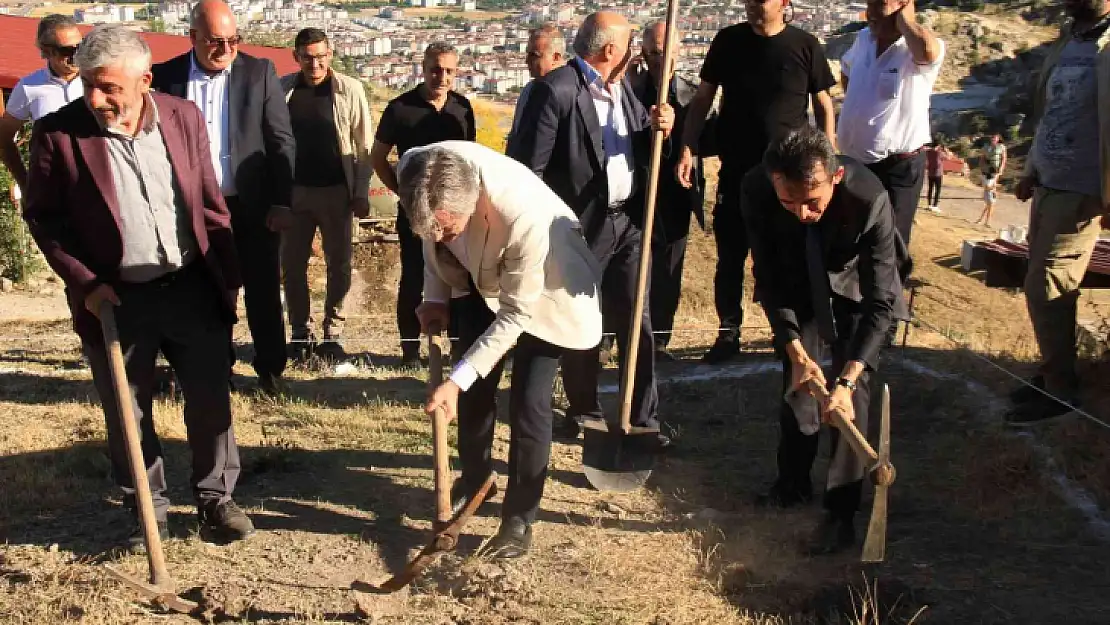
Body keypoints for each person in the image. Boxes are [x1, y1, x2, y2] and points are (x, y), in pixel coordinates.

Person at [23, 25, 255, 550]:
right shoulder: (59, 134)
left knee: (210, 399)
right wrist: (86, 283)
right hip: (115, 296)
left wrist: (227, 277)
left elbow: (209, 202)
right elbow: (44, 219)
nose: (96, 99)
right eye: (88, 86)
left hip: (191, 283)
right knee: (127, 409)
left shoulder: (182, 117)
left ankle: (216, 500)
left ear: (145, 80)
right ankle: (146, 510)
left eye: (109, 88)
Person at [400, 141, 603, 559]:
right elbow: (432, 239)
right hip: (481, 273)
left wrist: (453, 382)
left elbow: (515, 315)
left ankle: (519, 518)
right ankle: (475, 480)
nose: (442, 236)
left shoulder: (523, 216)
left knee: (529, 402)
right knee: (474, 387)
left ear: (473, 205)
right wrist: (435, 295)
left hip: (547, 283)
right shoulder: (417, 171)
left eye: (451, 229)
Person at [507, 11, 675, 446]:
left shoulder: (626, 91)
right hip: (579, 228)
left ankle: (643, 419)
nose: (635, 53)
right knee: (582, 324)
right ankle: (585, 411)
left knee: (637, 320)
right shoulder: (556, 91)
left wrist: (663, 130)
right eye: (630, 45)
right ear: (610, 51)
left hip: (628, 224)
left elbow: (640, 146)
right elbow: (529, 170)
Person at [742, 127, 908, 554]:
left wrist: (849, 379)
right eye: (789, 202)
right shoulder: (757, 189)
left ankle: (841, 510)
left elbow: (880, 302)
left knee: (850, 398)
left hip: (852, 285)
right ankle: (792, 484)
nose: (802, 213)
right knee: (798, 386)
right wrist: (796, 350)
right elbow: (769, 279)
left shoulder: (870, 199)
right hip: (795, 281)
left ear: (834, 177)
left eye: (812, 202)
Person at [675, 0, 838, 364]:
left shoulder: (805, 45)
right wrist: (688, 147)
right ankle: (727, 334)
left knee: (787, 259)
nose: (752, 4)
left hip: (789, 177)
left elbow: (824, 105)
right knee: (729, 258)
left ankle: (789, 337)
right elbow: (703, 99)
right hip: (736, 170)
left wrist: (829, 160)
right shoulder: (727, 41)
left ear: (783, 3)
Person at [151, 0, 296, 396]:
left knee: (263, 290)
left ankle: (270, 371)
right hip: (192, 209)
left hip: (251, 205)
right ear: (193, 37)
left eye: (234, 40)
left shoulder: (259, 72)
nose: (227, 49)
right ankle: (216, 368)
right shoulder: (166, 78)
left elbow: (281, 141)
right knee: (204, 290)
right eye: (216, 41)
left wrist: (282, 202)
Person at [1009, 0, 1110, 427]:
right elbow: (1050, 112)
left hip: (1084, 190)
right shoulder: (1068, 42)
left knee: (1046, 285)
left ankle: (1061, 392)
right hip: (1049, 182)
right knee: (1044, 283)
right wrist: (1031, 167)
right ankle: (1053, 372)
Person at [371, 42, 475, 367]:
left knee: (459, 277)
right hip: (414, 213)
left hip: (454, 214)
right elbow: (377, 157)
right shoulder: (400, 108)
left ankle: (458, 347)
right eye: (435, 69)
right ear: (423, 68)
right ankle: (410, 350)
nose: (441, 77)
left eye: (448, 71)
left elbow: (469, 158)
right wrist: (403, 194)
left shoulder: (463, 108)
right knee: (414, 276)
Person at [279, 28, 374, 363]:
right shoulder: (283, 90)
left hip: (337, 191)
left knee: (340, 265)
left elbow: (364, 145)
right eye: (307, 57)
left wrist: (361, 192)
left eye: (320, 56)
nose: (314, 63)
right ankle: (300, 333)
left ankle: (333, 333)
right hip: (295, 192)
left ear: (330, 54)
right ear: (297, 57)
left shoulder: (350, 89)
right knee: (291, 265)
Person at [629, 20, 716, 360]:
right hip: (635, 195)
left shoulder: (693, 96)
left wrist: (678, 127)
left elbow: (709, 140)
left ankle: (659, 340)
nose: (660, 60)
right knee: (631, 269)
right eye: (653, 53)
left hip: (675, 195)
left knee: (668, 272)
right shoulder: (629, 93)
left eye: (667, 53)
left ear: (679, 54)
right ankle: (621, 337)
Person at [838, 0, 944, 248]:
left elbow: (928, 51)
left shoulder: (916, 48)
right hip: (857, 163)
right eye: (870, 3)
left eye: (880, 4)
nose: (872, 13)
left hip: (896, 169)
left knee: (888, 248)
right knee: (851, 240)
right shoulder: (864, 38)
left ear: (903, 6)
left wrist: (906, 21)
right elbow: (846, 69)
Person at [0, 14, 83, 193]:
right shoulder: (29, 87)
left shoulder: (97, 80)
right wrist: (25, 183)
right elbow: (4, 137)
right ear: (47, 51)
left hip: (96, 187)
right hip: (53, 191)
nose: (76, 56)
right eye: (67, 51)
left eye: (81, 48)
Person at [507, 24, 566, 145]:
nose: (527, 60)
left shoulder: (571, 92)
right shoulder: (529, 89)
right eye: (527, 54)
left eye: (534, 55)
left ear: (555, 57)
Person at [974, 134, 1007, 227]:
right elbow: (982, 158)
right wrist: (981, 168)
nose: (993, 139)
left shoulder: (1001, 147)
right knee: (989, 199)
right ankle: (982, 219)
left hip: (994, 171)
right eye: (992, 138)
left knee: (990, 198)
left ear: (998, 139)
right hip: (986, 171)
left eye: (995, 138)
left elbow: (1003, 158)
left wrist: (1001, 169)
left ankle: (986, 221)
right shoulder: (986, 147)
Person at [924, 141, 951, 213]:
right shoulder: (939, 153)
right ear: (938, 145)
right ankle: (935, 206)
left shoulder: (928, 152)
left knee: (930, 189)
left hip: (930, 173)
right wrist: (946, 150)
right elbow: (949, 158)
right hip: (938, 174)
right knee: (937, 190)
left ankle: (929, 205)